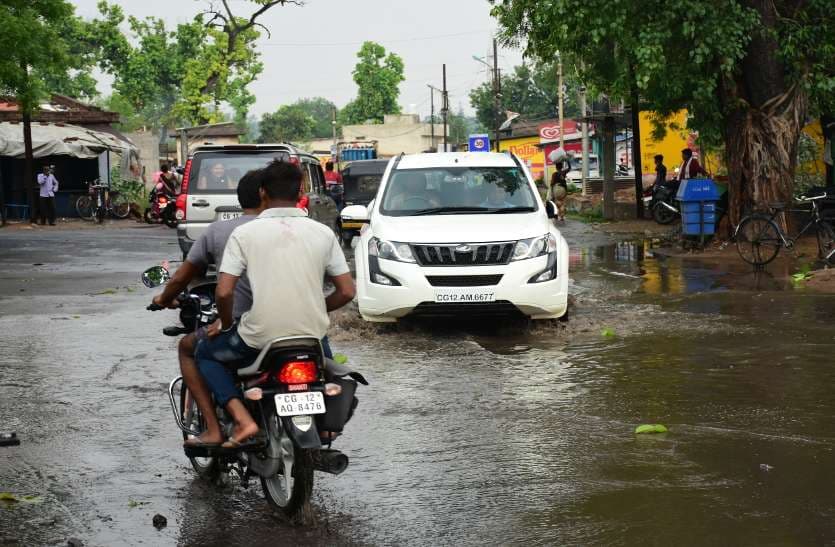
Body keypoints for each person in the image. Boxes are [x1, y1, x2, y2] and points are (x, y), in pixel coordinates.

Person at [196, 160, 355, 449]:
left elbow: (223, 293)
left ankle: (243, 420)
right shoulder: (322, 233)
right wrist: (315, 307)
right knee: (327, 368)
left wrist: (226, 322)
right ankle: (326, 428)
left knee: (205, 353)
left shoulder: (244, 235)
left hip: (259, 336)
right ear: (301, 192)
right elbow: (346, 291)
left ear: (262, 193)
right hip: (311, 335)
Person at [152, 169, 266, 447]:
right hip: (296, 326)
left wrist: (164, 298)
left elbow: (186, 278)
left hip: (247, 329)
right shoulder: (297, 231)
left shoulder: (221, 231)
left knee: (192, 349)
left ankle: (216, 429)